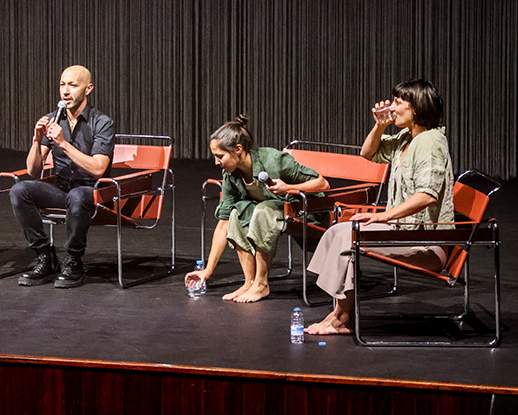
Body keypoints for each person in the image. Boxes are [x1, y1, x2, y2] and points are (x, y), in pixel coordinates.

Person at [306, 79, 454, 335]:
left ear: (416, 108)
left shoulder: (430, 142)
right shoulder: (407, 138)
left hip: (425, 243)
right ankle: (339, 313)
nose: (392, 107)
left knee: (347, 237)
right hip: (404, 233)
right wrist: (380, 125)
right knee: (339, 231)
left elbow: (426, 196)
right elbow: (367, 153)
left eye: (398, 102)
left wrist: (383, 217)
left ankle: (342, 318)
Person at [184, 115, 329, 303]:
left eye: (220, 156)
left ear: (238, 149)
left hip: (304, 211)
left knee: (263, 210)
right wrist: (207, 271)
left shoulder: (274, 160)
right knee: (237, 213)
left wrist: (288, 187)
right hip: (272, 212)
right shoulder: (231, 176)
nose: (216, 162)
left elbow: (322, 184)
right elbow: (223, 224)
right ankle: (249, 282)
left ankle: (261, 283)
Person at [9, 65, 115, 289]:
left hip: (93, 192)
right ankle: (45, 256)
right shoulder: (54, 120)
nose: (66, 91)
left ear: (88, 89)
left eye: (73, 85)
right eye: (62, 85)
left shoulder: (102, 123)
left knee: (77, 196)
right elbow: (33, 171)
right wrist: (36, 140)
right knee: (20, 190)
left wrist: (63, 144)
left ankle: (74, 261)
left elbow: (98, 168)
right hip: (63, 191)